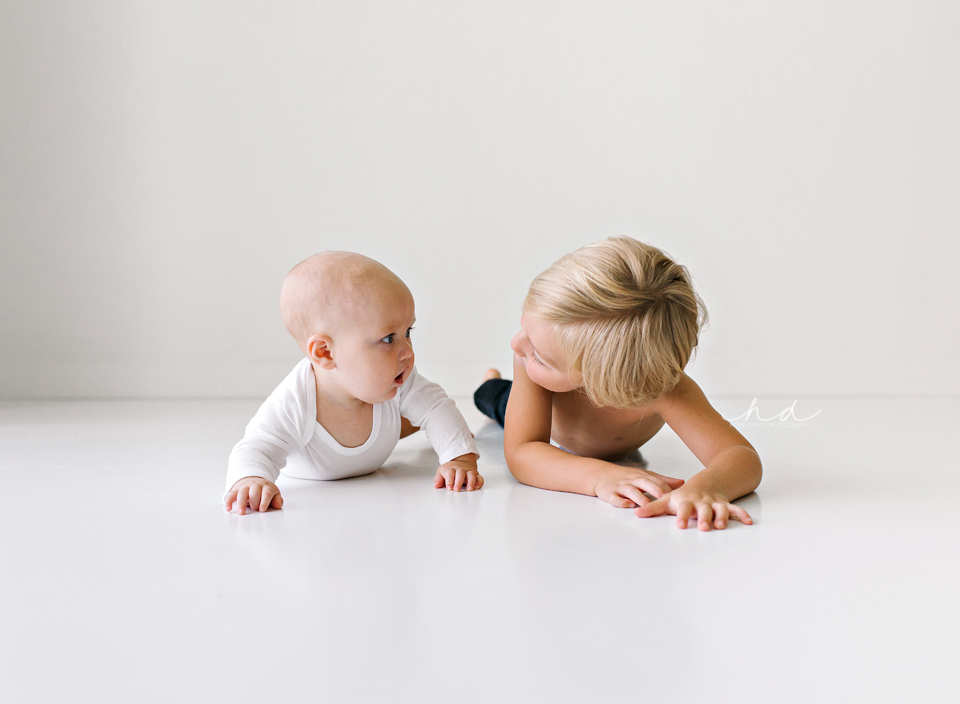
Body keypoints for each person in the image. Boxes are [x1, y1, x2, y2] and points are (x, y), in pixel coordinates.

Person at [475, 236, 760, 531]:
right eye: (525, 326)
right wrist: (599, 476)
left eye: (543, 358)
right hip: (540, 415)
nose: (516, 344)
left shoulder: (665, 390)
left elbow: (739, 456)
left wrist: (708, 487)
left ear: (608, 384)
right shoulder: (528, 354)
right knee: (495, 399)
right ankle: (491, 381)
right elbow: (523, 451)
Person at [225, 251, 482, 515]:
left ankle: (433, 427)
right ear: (325, 353)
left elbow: (436, 406)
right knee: (406, 419)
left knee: (422, 415)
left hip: (385, 430)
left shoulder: (396, 378)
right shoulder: (295, 401)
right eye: (388, 339)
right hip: (370, 441)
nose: (408, 352)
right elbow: (256, 446)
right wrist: (250, 479)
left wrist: (458, 456)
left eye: (408, 333)